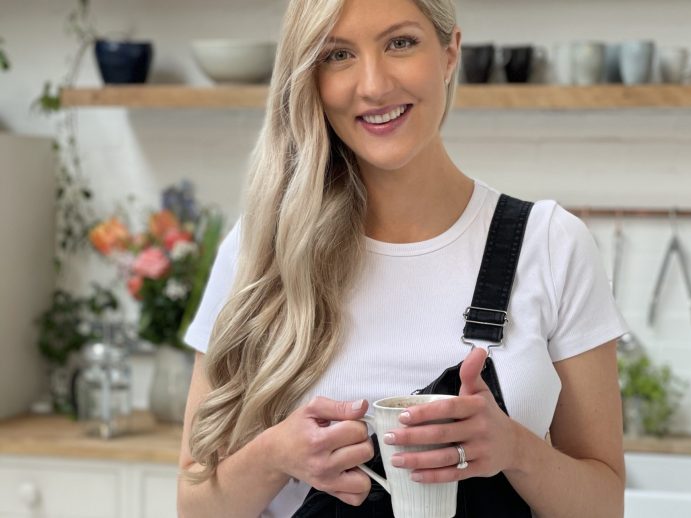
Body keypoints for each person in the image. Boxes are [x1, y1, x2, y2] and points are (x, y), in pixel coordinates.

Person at [176, 0, 629, 516]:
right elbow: (194, 506)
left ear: (450, 52)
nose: (373, 85)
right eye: (338, 54)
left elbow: (604, 505)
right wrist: (275, 456)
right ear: (310, 79)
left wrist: (515, 449)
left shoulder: (550, 244)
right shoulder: (261, 251)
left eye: (400, 43)